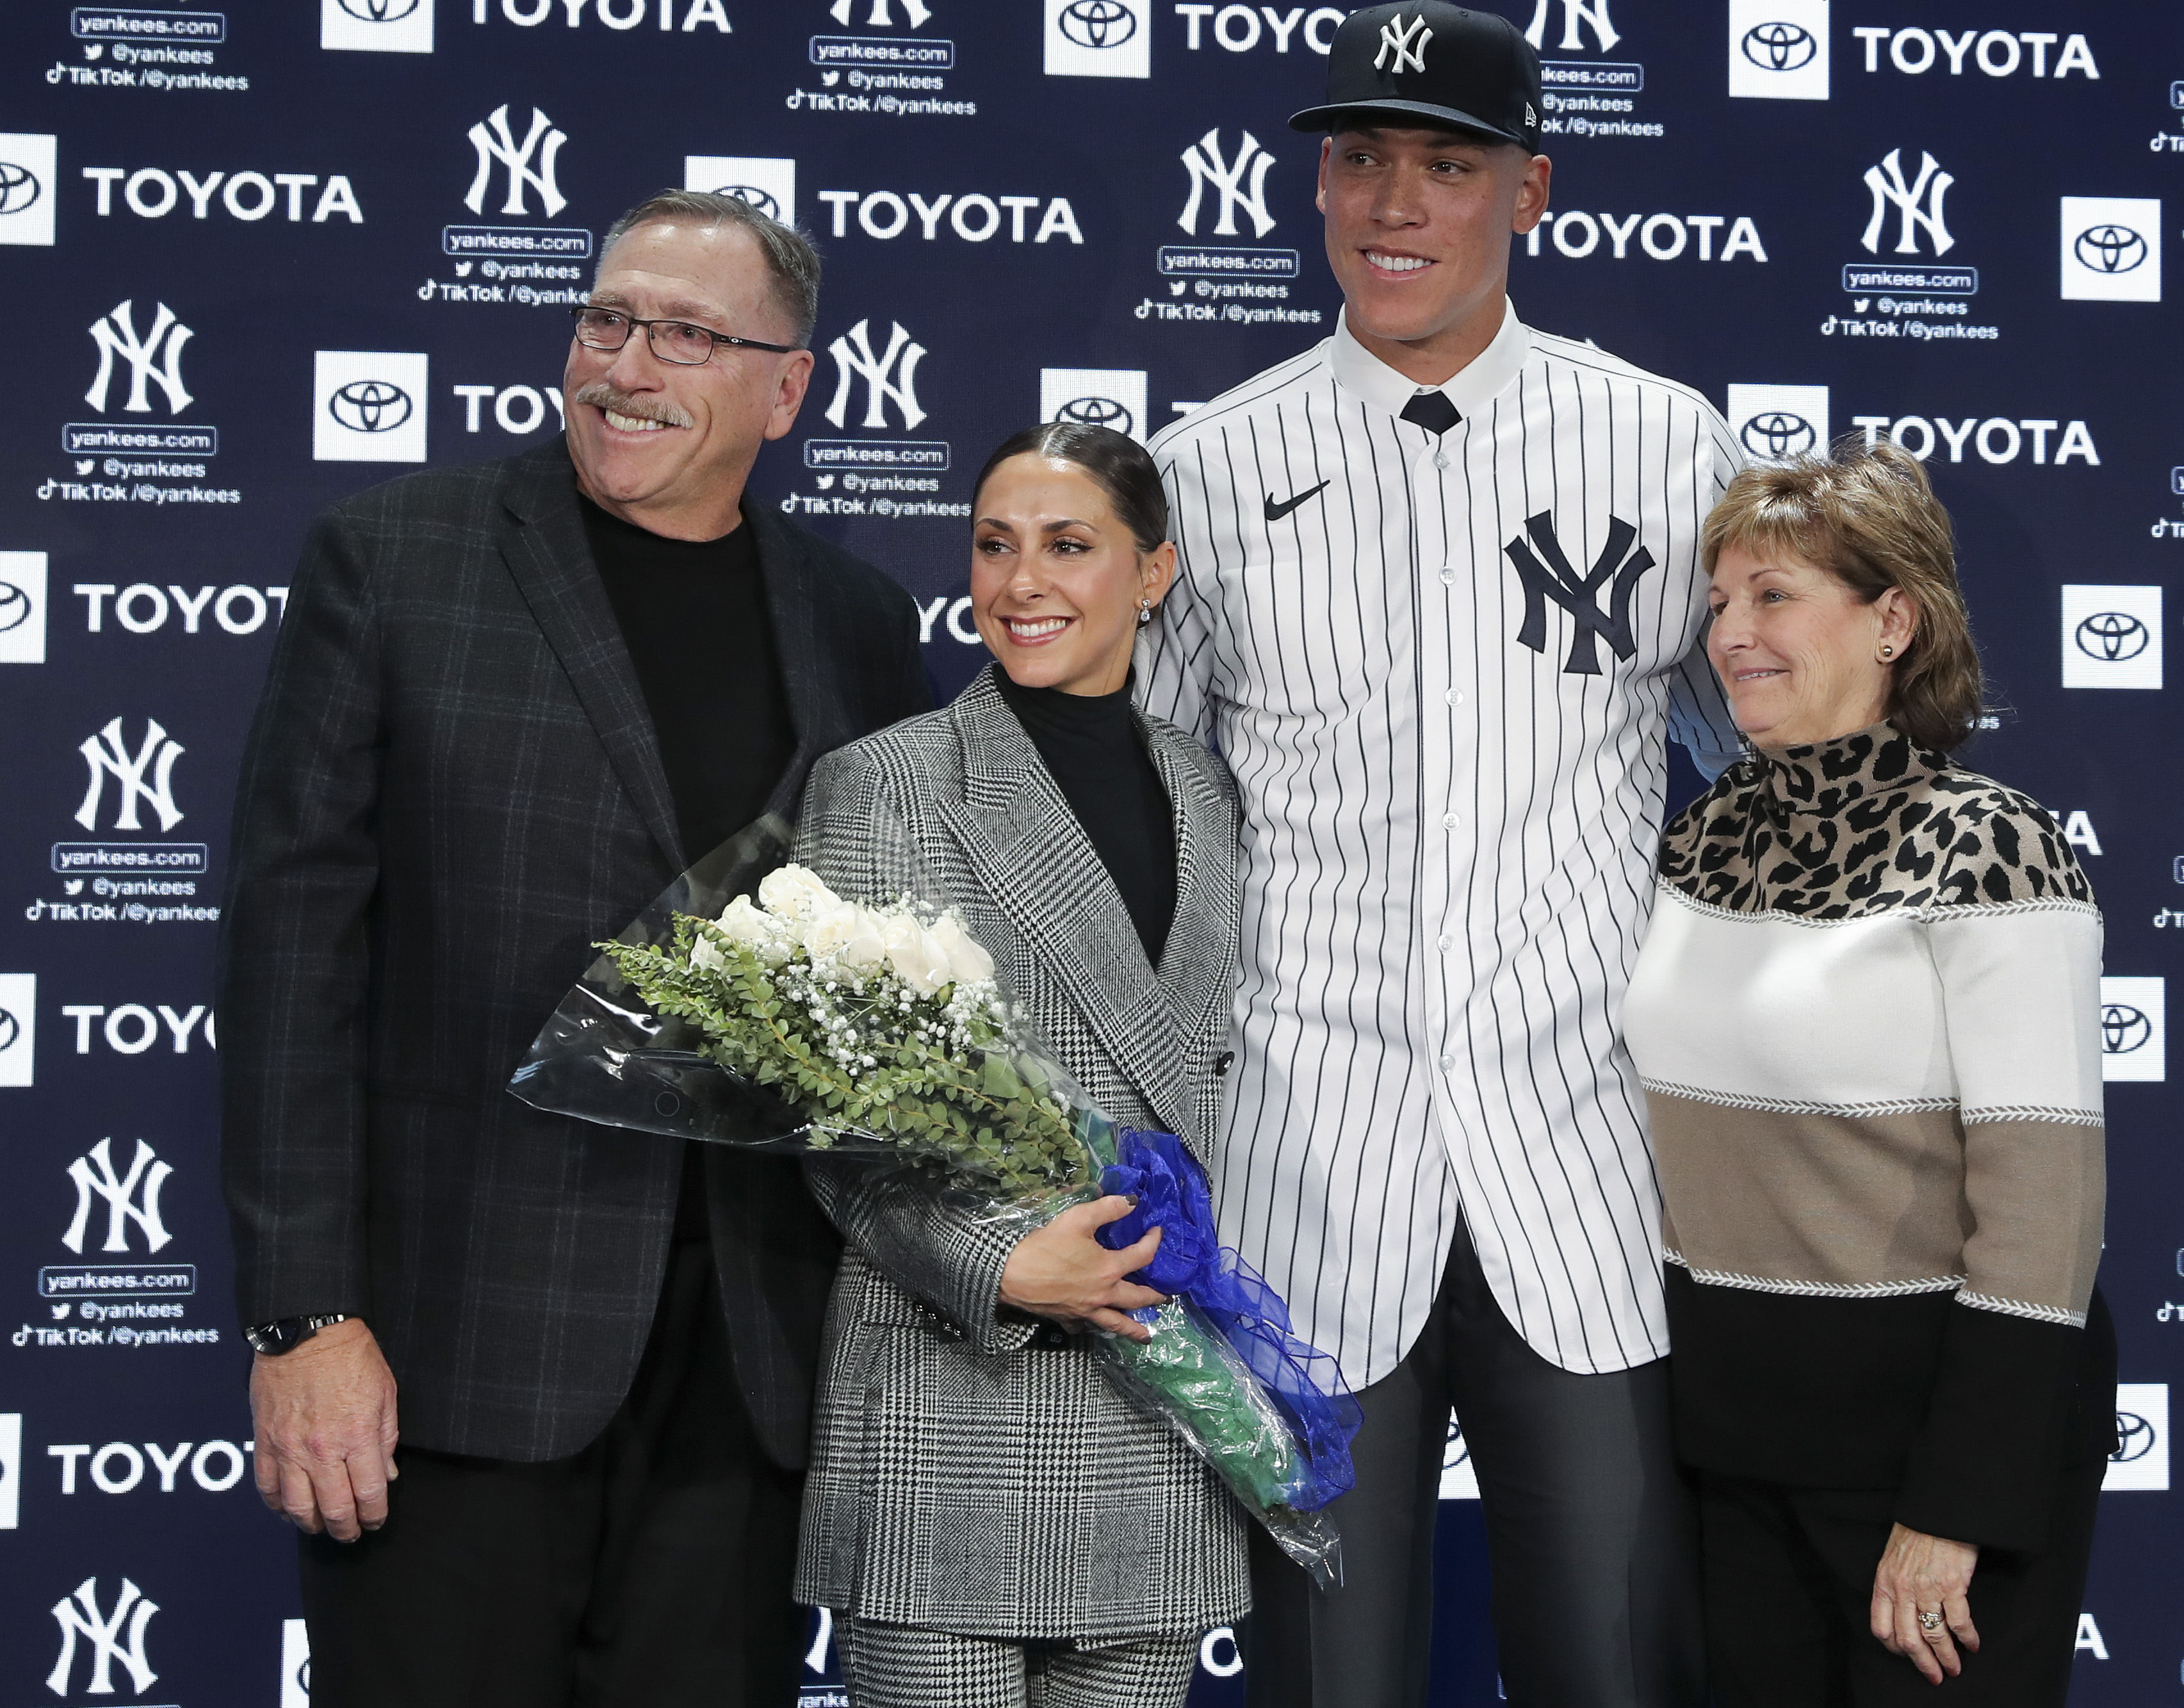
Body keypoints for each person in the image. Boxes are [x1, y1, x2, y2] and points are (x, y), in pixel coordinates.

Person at [221, 189, 932, 1707]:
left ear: (787, 385)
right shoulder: (394, 564)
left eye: (685, 332)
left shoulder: (859, 624)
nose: (625, 364)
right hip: (449, 1364)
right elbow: (290, 968)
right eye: (605, 319)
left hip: (746, 1375)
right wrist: (305, 1318)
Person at [1136, 6, 1741, 1704]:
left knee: (1615, 1667)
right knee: (1325, 1680)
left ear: (1531, 190)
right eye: (1359, 157)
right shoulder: (1211, 463)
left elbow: (1765, 756)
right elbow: (1142, 824)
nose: (1393, 202)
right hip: (1305, 1178)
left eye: (1448, 164)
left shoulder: (1665, 443)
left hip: (1585, 1171)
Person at [1626, 443, 2115, 1707]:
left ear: (1892, 618)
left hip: (1929, 1464)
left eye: (1773, 594)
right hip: (1728, 1457)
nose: (1730, 632)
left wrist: (1954, 1506)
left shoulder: (1992, 845)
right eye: (1719, 599)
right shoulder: (1697, 835)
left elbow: (2039, 1208)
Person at [792, 423, 1248, 1708]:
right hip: (955, 1390)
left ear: (1151, 572)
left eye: (1067, 544)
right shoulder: (886, 783)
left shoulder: (1207, 792)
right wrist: (1000, 1260)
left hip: (1161, 1393)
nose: (1020, 580)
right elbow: (841, 1110)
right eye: (994, 546)